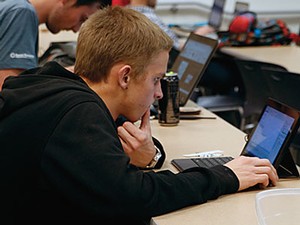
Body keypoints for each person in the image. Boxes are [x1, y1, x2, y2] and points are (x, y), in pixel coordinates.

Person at [0, 6, 278, 225]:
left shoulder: (57, 85)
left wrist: (151, 155)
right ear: (125, 76)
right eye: (156, 80)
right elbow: (135, 196)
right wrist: (225, 176)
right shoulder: (77, 113)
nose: (159, 94)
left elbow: (136, 155)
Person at [0, 0, 112, 90]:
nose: (76, 29)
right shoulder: (22, 12)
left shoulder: (12, 7)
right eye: (82, 18)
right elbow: (9, 91)